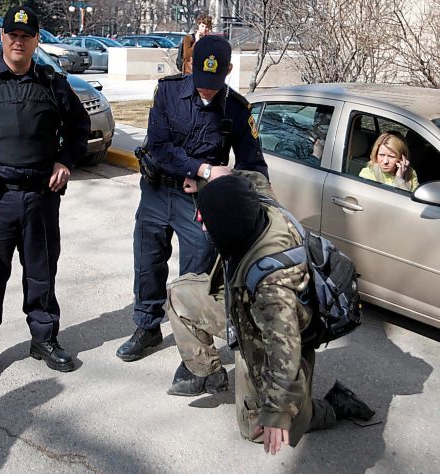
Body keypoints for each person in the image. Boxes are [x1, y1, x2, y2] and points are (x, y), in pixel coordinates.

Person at [166, 174, 375, 454]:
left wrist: (278, 411)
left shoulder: (273, 286)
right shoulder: (256, 204)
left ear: (228, 224)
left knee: (257, 428)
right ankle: (208, 374)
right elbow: (247, 177)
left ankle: (330, 408)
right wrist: (206, 185)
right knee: (180, 294)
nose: (200, 220)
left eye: (207, 216)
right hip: (241, 309)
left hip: (273, 338)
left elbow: (283, 348)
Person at [0, 6, 90, 388]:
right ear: (2, 38)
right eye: (13, 35)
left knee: (42, 275)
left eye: (26, 35)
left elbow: (78, 127)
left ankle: (43, 339)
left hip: (41, 198)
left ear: (37, 39)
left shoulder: (53, 84)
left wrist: (65, 161)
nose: (19, 41)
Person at [116, 35, 269, 362]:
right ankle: (147, 326)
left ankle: (195, 350)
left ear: (228, 69)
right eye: (201, 79)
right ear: (189, 66)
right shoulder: (169, 93)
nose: (206, 88)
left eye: (215, 81)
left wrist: (221, 185)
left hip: (201, 203)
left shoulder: (238, 110)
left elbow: (254, 166)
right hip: (157, 191)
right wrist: (203, 170)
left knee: (197, 276)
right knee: (147, 262)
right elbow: (159, 147)